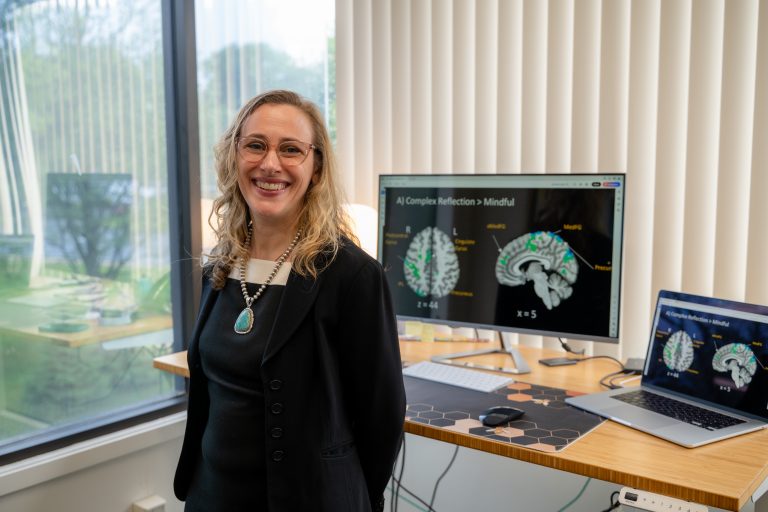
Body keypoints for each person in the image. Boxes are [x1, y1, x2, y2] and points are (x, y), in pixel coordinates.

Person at [173, 90, 406, 511]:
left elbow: (382, 417)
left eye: (291, 150)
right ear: (234, 156)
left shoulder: (351, 276)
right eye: (256, 145)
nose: (270, 164)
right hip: (212, 496)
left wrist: (353, 499)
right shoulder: (220, 266)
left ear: (315, 169)